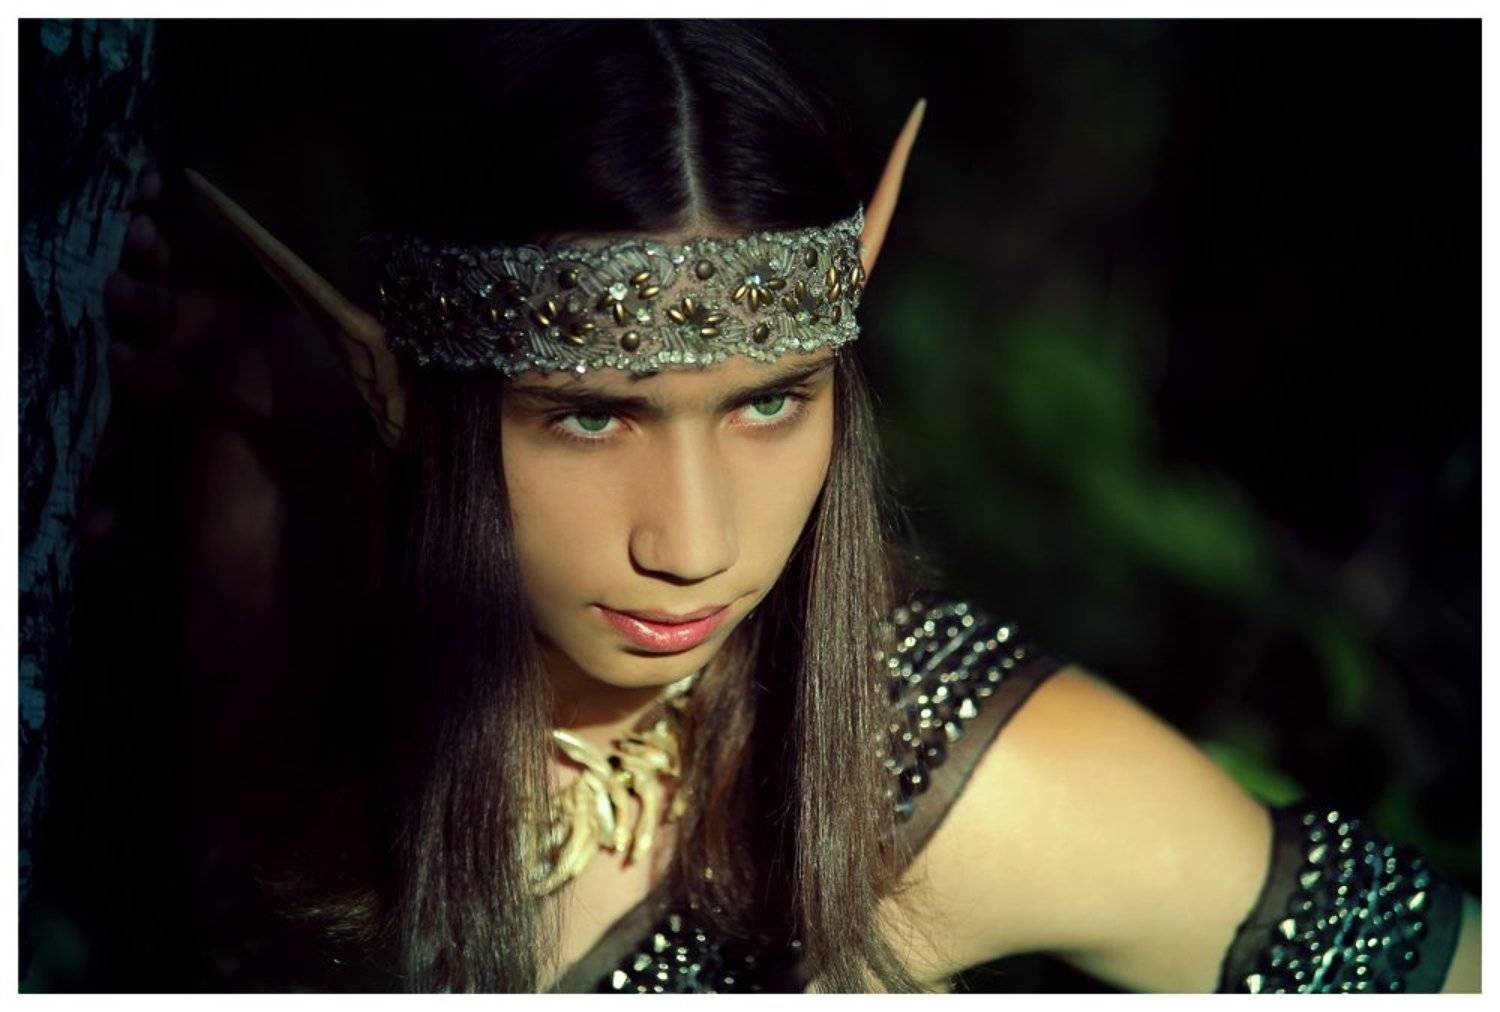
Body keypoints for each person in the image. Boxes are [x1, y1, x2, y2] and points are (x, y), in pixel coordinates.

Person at [98, 19, 1479, 994]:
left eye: (770, 403)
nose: (693, 547)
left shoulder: (944, 771)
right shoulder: (275, 559)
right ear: (406, 398)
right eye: (590, 416)